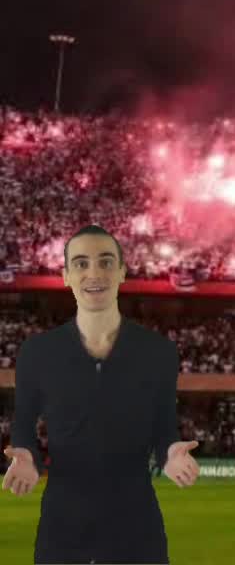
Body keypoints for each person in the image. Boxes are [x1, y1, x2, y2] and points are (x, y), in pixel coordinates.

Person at [2, 225, 200, 564]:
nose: (94, 272)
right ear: (66, 276)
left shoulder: (158, 352)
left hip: (137, 524)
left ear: (122, 272)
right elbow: (24, 427)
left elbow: (165, 428)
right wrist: (27, 459)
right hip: (62, 524)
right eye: (80, 263)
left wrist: (171, 456)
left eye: (106, 262)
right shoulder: (37, 352)